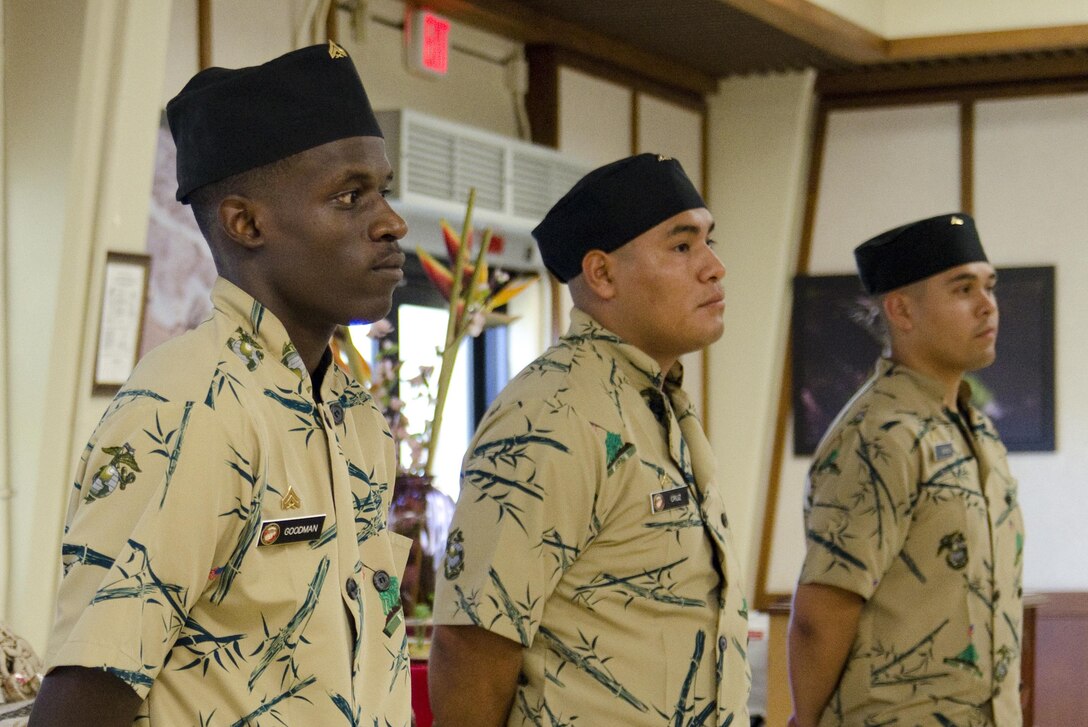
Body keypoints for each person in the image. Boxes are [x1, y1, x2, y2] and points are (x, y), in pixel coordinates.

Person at [30, 41, 413, 726]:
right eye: (350, 196)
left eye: (384, 190)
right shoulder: (190, 408)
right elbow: (82, 702)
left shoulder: (352, 413)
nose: (391, 221)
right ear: (246, 223)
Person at [428, 153, 751, 726]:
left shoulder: (653, 399)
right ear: (601, 275)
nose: (715, 267)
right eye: (682, 246)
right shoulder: (553, 414)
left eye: (709, 241)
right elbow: (473, 645)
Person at [787, 213, 1025, 727]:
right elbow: (822, 611)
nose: (987, 306)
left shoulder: (973, 428)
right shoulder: (878, 435)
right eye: (963, 289)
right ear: (901, 310)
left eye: (990, 287)